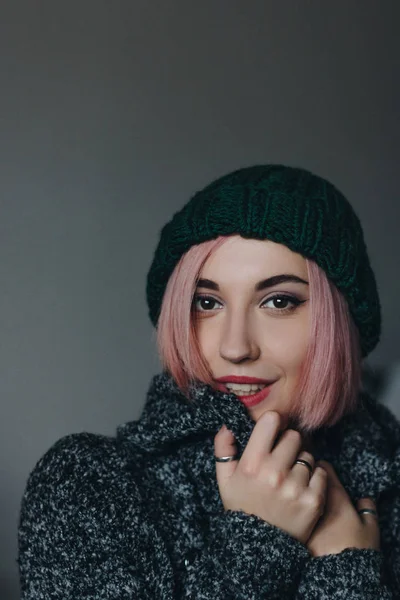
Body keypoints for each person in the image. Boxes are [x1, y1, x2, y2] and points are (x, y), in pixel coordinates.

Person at [17, 165, 400, 599]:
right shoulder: (87, 487)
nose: (235, 347)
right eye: (207, 302)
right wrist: (266, 545)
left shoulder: (389, 476)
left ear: (342, 320)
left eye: (278, 301)